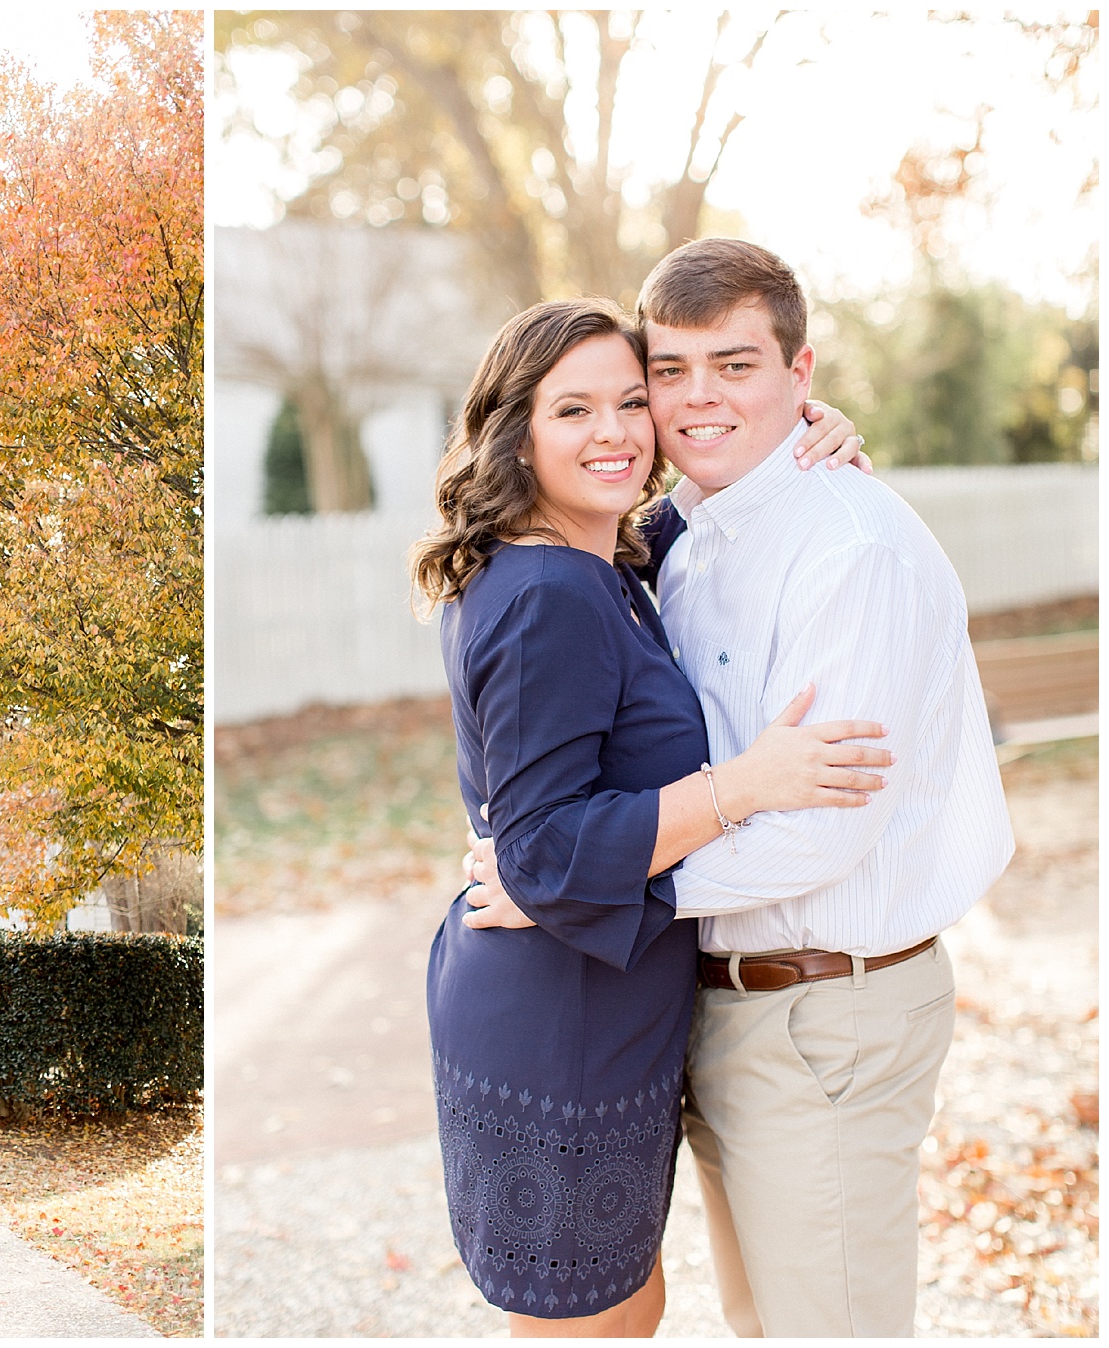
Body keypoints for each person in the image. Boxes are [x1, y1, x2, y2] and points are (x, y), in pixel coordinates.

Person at [460, 239, 1014, 1336]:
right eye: (668, 372)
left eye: (737, 365)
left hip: (826, 1011)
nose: (692, 400)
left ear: (802, 375)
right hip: (715, 1005)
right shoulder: (671, 543)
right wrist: (575, 865)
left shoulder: (847, 551)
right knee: (762, 1325)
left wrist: (586, 883)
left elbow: (816, 839)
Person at [409, 295, 892, 1335]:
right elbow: (541, 851)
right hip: (560, 1019)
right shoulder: (551, 593)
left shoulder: (605, 558)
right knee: (600, 1317)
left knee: (624, 1303)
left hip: (594, 998)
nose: (620, 432)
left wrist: (809, 419)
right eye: (574, 410)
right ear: (515, 431)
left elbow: (719, 474)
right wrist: (747, 784)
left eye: (633, 400)